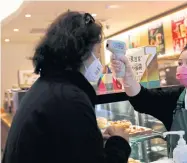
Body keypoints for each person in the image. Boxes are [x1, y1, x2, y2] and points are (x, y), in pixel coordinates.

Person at [2, 11, 131, 163]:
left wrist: (92, 139)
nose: (98, 61)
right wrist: (120, 143)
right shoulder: (69, 99)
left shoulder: (45, 88)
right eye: (96, 53)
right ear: (81, 52)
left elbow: (63, 147)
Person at [111, 35, 187, 163]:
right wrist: (127, 74)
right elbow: (141, 99)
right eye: (180, 63)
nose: (182, 67)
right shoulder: (172, 99)